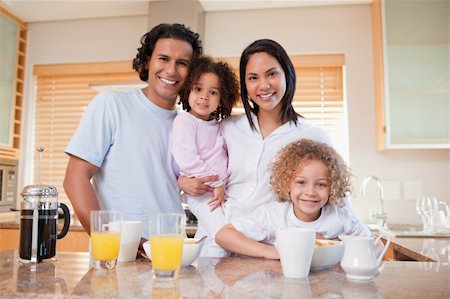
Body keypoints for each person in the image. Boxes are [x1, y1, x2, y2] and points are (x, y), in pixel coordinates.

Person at [178, 39, 332, 242]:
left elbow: (334, 199)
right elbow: (195, 165)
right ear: (245, 84)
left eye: (272, 74)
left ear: (288, 74)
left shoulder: (313, 137)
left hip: (271, 245)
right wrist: (182, 181)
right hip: (217, 238)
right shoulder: (227, 127)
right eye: (253, 78)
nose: (264, 85)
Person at [63, 23, 203, 239]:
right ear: (148, 61)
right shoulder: (111, 105)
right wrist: (112, 240)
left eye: (182, 63)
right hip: (119, 256)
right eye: (163, 59)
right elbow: (75, 178)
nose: (171, 70)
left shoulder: (186, 126)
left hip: (170, 251)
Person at [215, 139, 371, 259]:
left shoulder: (340, 217)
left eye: (321, 185)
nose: (310, 192)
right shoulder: (274, 215)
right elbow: (224, 235)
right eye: (301, 182)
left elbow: (373, 246)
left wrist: (335, 246)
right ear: (287, 183)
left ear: (333, 186)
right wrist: (270, 252)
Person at [172, 55, 239, 257]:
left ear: (222, 99)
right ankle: (215, 287)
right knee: (223, 237)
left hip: (217, 194)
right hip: (202, 193)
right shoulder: (185, 122)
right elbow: (187, 159)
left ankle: (201, 283)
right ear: (188, 90)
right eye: (198, 89)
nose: (204, 97)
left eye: (213, 92)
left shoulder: (218, 126)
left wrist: (222, 187)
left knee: (207, 236)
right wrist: (217, 183)